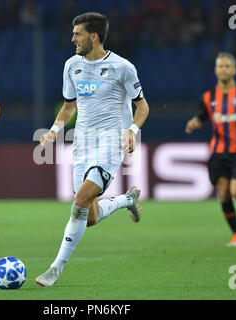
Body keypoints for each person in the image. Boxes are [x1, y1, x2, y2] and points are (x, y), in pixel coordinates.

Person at [35, 12, 150, 287]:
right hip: (82, 143)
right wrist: (53, 131)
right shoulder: (71, 65)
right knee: (88, 216)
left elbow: (142, 106)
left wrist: (132, 131)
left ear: (94, 37)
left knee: (79, 202)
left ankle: (55, 268)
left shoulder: (123, 67)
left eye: (78, 34)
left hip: (111, 142)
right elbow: (68, 106)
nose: (73, 38)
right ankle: (126, 200)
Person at [185, 52, 236, 247]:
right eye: (221, 66)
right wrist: (194, 123)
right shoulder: (208, 97)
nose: (224, 69)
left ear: (234, 70)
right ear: (215, 70)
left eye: (228, 66)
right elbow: (201, 117)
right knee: (224, 193)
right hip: (218, 153)